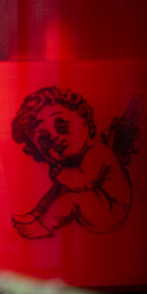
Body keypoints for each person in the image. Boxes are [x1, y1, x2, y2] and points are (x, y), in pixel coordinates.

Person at [10, 86, 138, 240]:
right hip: (98, 206)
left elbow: (84, 182)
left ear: (83, 118)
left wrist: (62, 175)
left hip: (112, 211)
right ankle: (36, 214)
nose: (55, 139)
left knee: (72, 197)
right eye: (43, 140)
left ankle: (45, 226)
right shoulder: (76, 158)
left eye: (61, 125)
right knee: (59, 188)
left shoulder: (97, 152)